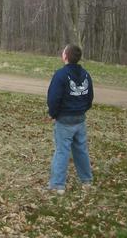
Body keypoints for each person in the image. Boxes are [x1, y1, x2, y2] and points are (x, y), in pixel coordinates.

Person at [47, 44, 94, 194]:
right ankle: (86, 181)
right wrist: (80, 111)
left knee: (62, 151)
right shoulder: (86, 74)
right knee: (81, 150)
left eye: (63, 51)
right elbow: (89, 97)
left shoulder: (60, 75)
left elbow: (53, 98)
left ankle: (57, 185)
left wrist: (54, 114)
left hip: (66, 120)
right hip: (79, 118)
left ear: (66, 56)